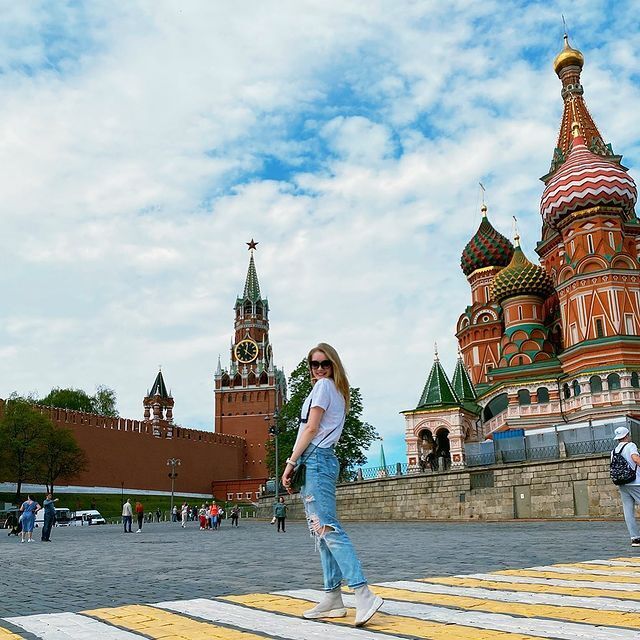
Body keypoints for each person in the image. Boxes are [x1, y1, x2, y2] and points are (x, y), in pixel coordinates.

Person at [281, 343, 383, 627]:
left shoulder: (325, 388)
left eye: (325, 363)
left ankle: (363, 593)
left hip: (316, 459)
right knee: (321, 531)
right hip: (317, 460)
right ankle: (332, 597)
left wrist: (290, 462)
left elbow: (311, 429)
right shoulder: (333, 390)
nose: (320, 369)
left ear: (334, 365)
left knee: (328, 529)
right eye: (314, 364)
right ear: (309, 367)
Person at [612, 426, 640, 546]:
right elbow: (635, 459)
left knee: (628, 511)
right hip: (636, 482)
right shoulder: (631, 446)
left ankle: (635, 538)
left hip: (622, 483)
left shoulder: (613, 451)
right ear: (627, 435)